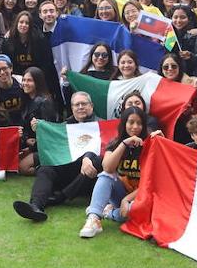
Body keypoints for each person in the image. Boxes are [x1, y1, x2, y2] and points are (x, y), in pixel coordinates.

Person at [13, 91, 100, 222]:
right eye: (77, 105)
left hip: (88, 175)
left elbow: (104, 149)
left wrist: (87, 157)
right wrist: (41, 130)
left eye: (84, 104)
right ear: (72, 108)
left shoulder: (101, 125)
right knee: (46, 167)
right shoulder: (64, 126)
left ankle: (60, 198)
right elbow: (53, 149)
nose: (80, 107)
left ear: (91, 106)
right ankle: (36, 206)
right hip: (67, 169)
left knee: (97, 162)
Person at [80, 106, 153, 238]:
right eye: (131, 122)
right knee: (106, 175)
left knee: (132, 212)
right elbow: (107, 168)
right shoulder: (116, 143)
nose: (135, 127)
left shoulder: (149, 145)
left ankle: (109, 212)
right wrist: (124, 144)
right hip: (119, 193)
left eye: (139, 123)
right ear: (124, 123)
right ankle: (93, 219)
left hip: (140, 197)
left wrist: (127, 200)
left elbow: (150, 182)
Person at [0, 54, 26, 125]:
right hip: (3, 125)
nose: (2, 72)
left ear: (11, 68)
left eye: (4, 68)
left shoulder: (22, 81)